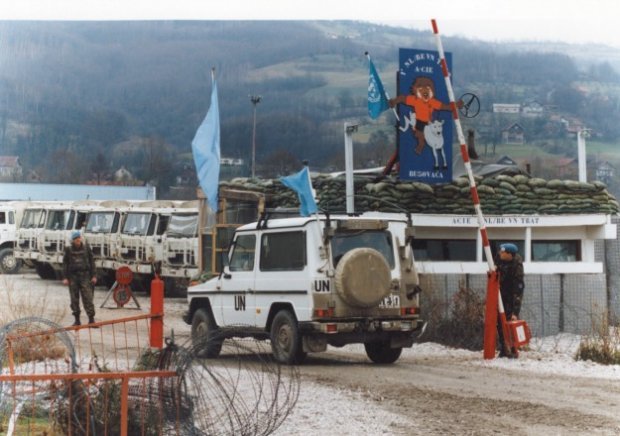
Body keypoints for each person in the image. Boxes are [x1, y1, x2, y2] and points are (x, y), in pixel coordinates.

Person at [388, 76, 463, 154]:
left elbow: (446, 107)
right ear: (415, 90)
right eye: (420, 89)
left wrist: (456, 105)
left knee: (433, 132)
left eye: (428, 88)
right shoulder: (415, 100)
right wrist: (394, 101)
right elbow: (402, 98)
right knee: (419, 135)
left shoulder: (432, 102)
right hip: (419, 121)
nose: (424, 91)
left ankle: (432, 143)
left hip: (429, 122)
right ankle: (421, 144)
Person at [62, 230, 97, 326]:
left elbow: (92, 262)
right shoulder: (68, 250)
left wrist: (94, 276)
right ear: (72, 240)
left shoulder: (86, 248)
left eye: (78, 238)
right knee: (74, 299)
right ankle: (77, 320)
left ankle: (91, 319)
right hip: (73, 277)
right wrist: (65, 277)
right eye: (75, 239)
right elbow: (65, 264)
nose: (77, 240)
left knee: (88, 298)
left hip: (85, 276)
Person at [496, 243, 525, 358]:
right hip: (500, 294)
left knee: (509, 323)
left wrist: (515, 312)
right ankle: (503, 349)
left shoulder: (517, 266)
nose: (500, 253)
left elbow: (518, 289)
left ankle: (513, 349)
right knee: (499, 324)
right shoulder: (498, 258)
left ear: (509, 254)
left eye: (503, 252)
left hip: (510, 296)